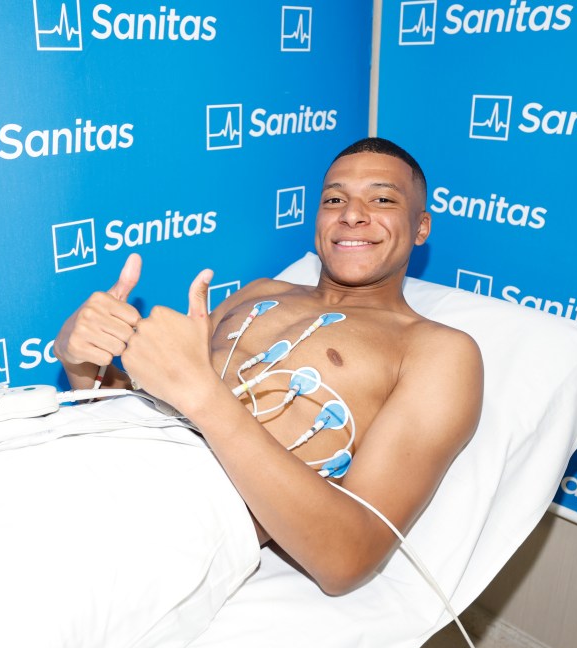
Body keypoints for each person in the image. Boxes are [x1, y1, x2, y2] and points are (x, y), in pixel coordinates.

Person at [54, 137, 483, 595]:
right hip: (78, 452)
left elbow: (348, 559)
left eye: (381, 199)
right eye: (334, 199)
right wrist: (80, 357)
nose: (352, 214)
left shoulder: (437, 351)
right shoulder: (259, 293)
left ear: (421, 227)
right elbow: (143, 400)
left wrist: (205, 398)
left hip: (165, 516)